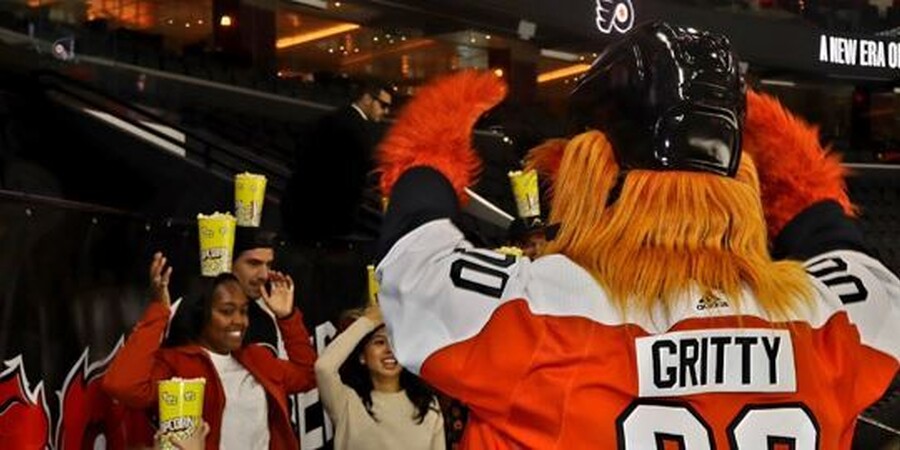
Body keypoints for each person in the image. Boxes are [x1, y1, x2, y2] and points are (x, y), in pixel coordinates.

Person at [372, 22, 900, 449]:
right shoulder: (823, 313)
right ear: (743, 183)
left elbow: (413, 262)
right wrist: (800, 173)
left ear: (591, 173)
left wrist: (428, 153)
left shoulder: (546, 308)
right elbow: (851, 256)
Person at [103, 252, 317, 450]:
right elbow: (121, 385)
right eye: (227, 311)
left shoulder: (256, 358)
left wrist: (287, 318)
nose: (239, 321)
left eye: (244, 311)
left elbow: (308, 375)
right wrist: (159, 310)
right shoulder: (176, 364)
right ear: (201, 314)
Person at [314, 304, 445, 450]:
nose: (389, 350)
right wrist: (368, 322)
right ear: (362, 356)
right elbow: (323, 368)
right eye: (380, 342)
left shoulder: (427, 403)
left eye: (396, 343)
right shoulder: (346, 402)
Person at [284, 80, 393, 241]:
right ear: (367, 98)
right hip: (329, 215)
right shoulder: (353, 127)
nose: (386, 111)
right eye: (383, 105)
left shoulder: (335, 119)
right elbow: (352, 175)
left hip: (307, 208)